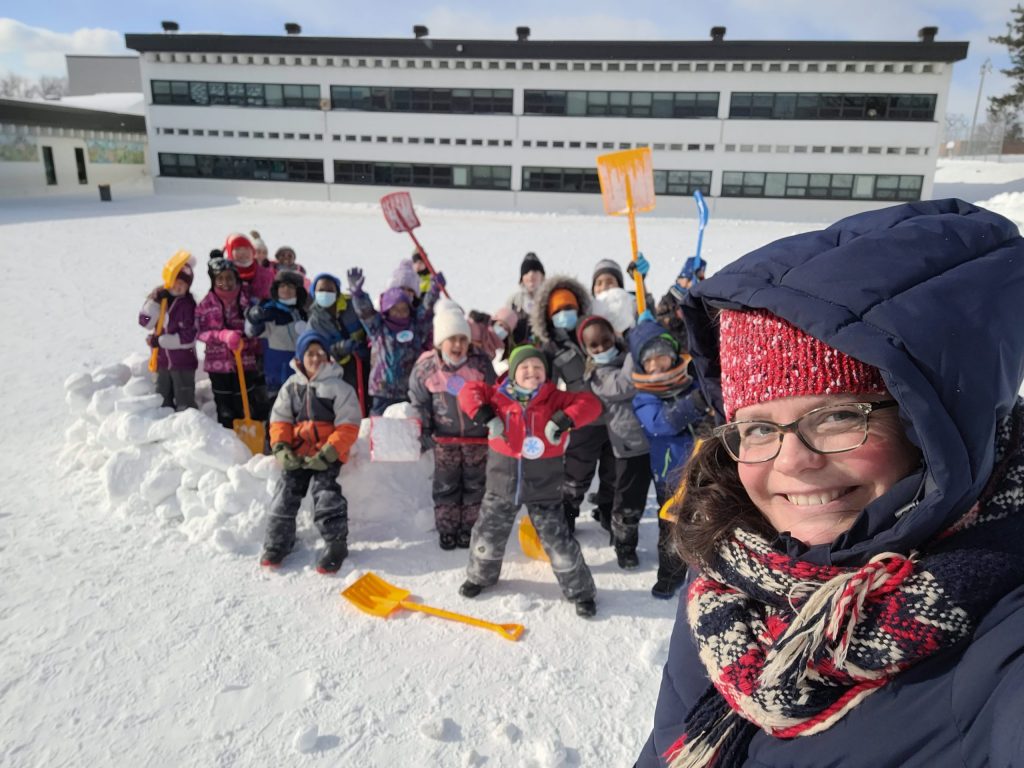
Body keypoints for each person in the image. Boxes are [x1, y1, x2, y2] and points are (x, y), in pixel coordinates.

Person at [637, 199, 1024, 768]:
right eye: (760, 427)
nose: (792, 460)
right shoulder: (732, 563)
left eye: (839, 415)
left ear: (931, 428)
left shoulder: (999, 636)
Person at [457, 345, 603, 617]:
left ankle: (581, 592)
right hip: (501, 486)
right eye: (524, 367)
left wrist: (564, 419)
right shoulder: (497, 396)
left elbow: (591, 405)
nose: (531, 372)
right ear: (512, 373)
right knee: (486, 536)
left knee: (559, 544)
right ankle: (480, 577)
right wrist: (485, 415)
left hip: (544, 490)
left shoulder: (555, 398)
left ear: (546, 373)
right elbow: (468, 392)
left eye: (537, 367)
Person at [261, 330, 361, 573]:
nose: (315, 359)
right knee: (285, 490)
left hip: (326, 452)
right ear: (300, 358)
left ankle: (335, 542)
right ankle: (278, 541)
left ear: (327, 357)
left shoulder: (339, 387)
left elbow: (349, 425)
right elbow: (280, 421)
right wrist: (282, 447)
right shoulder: (291, 387)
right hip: (297, 452)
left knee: (325, 492)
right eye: (309, 354)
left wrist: (329, 452)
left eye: (320, 354)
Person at [628, 319, 712, 599]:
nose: (658, 362)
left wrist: (708, 421)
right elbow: (661, 423)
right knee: (672, 530)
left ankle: (710, 574)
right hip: (671, 476)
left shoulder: (691, 382)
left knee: (709, 519)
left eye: (662, 353)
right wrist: (695, 406)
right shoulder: (644, 398)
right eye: (649, 359)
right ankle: (670, 576)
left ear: (674, 352)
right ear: (642, 366)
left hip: (705, 470)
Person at [408, 300, 496, 550]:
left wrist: (493, 420)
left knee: (475, 484)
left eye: (462, 339)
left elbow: (494, 394)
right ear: (440, 342)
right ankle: (447, 528)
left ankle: (470, 528)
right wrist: (422, 429)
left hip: (476, 438)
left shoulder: (479, 364)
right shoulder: (426, 368)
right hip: (444, 440)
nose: (458, 345)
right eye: (452, 339)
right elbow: (420, 402)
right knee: (446, 485)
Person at [530, 275, 613, 532]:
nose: (566, 314)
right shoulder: (551, 349)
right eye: (559, 310)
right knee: (577, 472)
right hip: (583, 419)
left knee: (613, 472)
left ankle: (610, 515)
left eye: (570, 308)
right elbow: (548, 390)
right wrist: (555, 418)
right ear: (548, 315)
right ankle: (568, 514)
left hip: (614, 415)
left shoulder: (594, 332)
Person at [576, 315, 651, 568]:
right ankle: (624, 545)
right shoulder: (596, 376)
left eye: (606, 341)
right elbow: (625, 385)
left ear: (614, 338)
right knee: (629, 502)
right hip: (629, 446)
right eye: (594, 345)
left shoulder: (628, 358)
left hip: (654, 437)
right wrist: (635, 346)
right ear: (587, 350)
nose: (601, 348)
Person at [349, 266, 441, 415]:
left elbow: (427, 310)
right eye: (395, 308)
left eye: (403, 308)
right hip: (382, 391)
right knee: (380, 428)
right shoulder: (378, 328)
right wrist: (358, 294)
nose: (399, 312)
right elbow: (364, 312)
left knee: (407, 429)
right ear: (386, 310)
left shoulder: (416, 328)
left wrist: (434, 291)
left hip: (409, 390)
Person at [195, 256, 262, 428]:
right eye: (220, 278)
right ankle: (227, 439)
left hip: (245, 362)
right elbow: (199, 332)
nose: (226, 282)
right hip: (218, 364)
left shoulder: (246, 298)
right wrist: (222, 336)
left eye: (229, 277)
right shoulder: (206, 303)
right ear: (214, 280)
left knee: (246, 403)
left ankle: (249, 440)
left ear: (236, 277)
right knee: (224, 406)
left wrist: (246, 337)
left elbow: (256, 327)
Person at [307, 272, 371, 416]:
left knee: (366, 398)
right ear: (314, 293)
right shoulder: (314, 322)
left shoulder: (351, 305)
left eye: (330, 289)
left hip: (363, 362)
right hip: (338, 368)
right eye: (321, 290)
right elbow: (315, 350)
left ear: (337, 291)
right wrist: (339, 349)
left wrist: (359, 294)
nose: (326, 293)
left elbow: (369, 318)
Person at [138, 259, 198, 411]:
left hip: (183, 363)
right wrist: (153, 303)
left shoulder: (188, 305)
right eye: (176, 281)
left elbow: (190, 336)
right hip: (161, 361)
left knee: (185, 400)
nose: (179, 287)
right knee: (162, 400)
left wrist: (163, 341)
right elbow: (144, 322)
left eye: (183, 285)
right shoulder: (159, 300)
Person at [244, 270, 309, 404]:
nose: (286, 289)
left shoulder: (302, 313)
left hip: (300, 372)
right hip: (277, 374)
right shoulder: (269, 311)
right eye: (282, 286)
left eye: (291, 286)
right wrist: (254, 317)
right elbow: (251, 331)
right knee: (278, 410)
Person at [506, 252, 545, 344]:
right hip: (519, 351)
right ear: (521, 278)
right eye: (526, 272)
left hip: (545, 352)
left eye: (535, 271)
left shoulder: (549, 299)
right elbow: (505, 326)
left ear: (542, 277)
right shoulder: (514, 300)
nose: (531, 275)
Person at [223, 232, 274, 301]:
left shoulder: (265, 272)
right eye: (238, 249)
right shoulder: (225, 272)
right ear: (230, 252)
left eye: (246, 248)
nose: (243, 252)